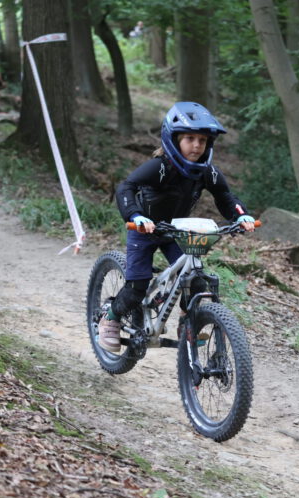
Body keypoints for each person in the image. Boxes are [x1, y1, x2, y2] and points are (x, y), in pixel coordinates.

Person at [98, 102, 256, 353]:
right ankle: (112, 316)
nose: (196, 146)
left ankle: (189, 323)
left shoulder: (206, 172)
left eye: (202, 140)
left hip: (177, 232)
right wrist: (136, 216)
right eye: (190, 139)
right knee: (137, 288)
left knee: (196, 281)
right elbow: (126, 187)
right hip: (145, 231)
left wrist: (241, 216)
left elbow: (226, 197)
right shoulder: (159, 167)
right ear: (174, 140)